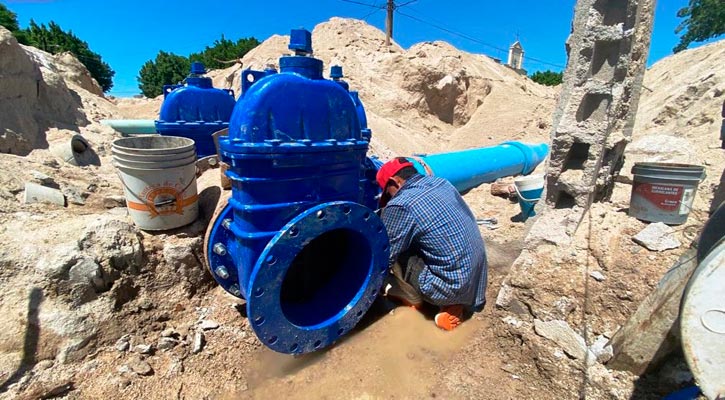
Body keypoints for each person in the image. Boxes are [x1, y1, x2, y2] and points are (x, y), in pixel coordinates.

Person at [376, 157, 488, 331]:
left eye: (387, 193)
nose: (389, 198)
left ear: (394, 182)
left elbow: (384, 258)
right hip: (476, 279)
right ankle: (456, 301)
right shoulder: (442, 183)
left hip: (450, 287)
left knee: (391, 250)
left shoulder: (400, 204)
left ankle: (416, 299)